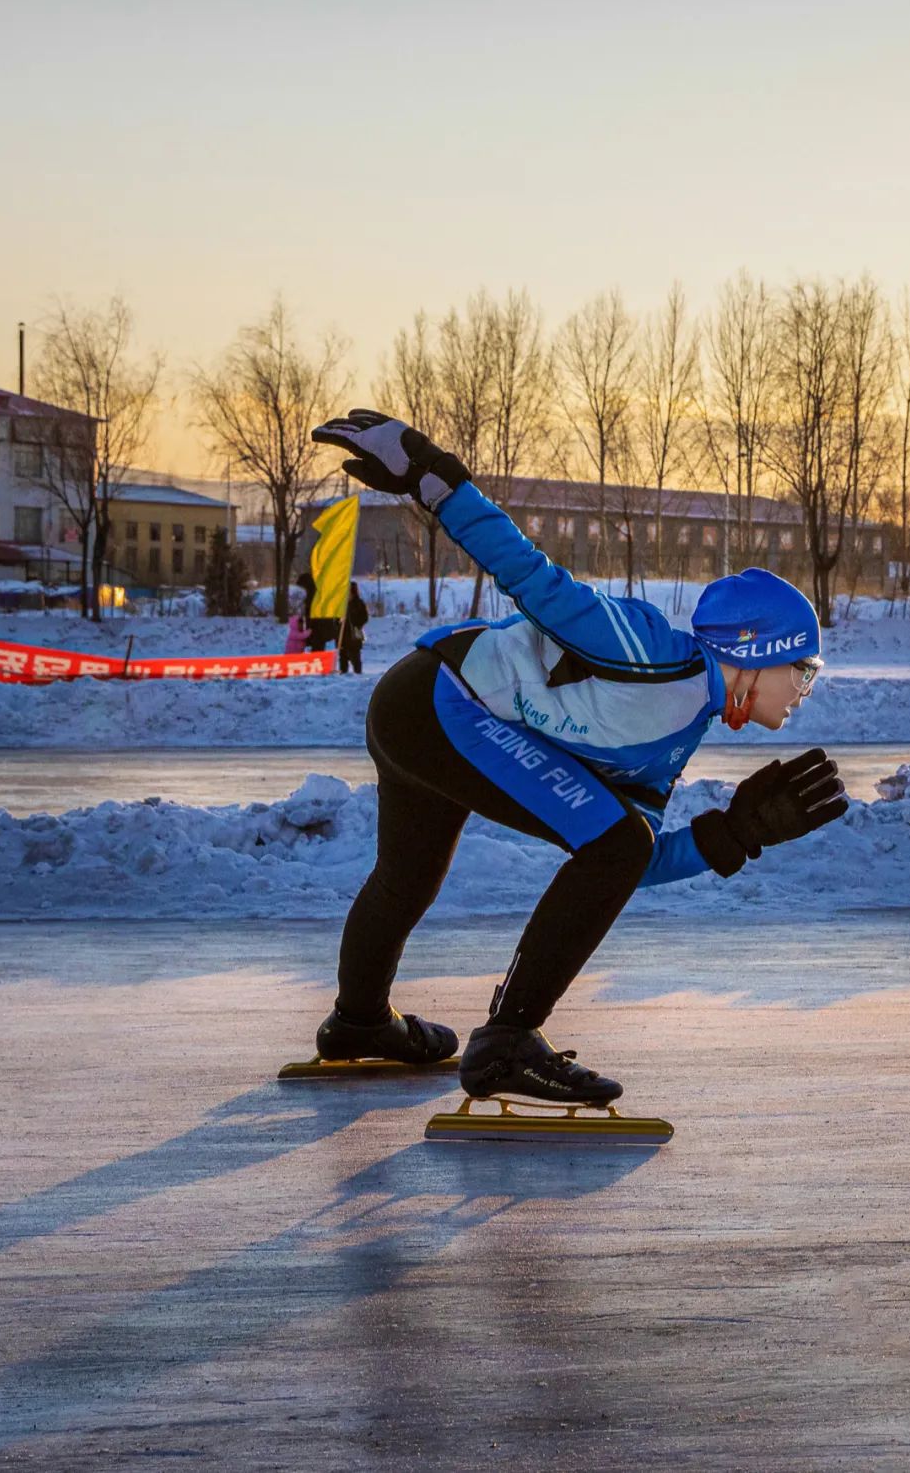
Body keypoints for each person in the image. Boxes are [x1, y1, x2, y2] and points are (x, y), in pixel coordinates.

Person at [308, 410, 848, 1107]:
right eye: (802, 671)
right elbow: (530, 575)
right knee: (606, 841)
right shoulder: (650, 651)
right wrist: (428, 475)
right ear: (755, 648)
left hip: (425, 706)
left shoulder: (678, 733)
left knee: (411, 875)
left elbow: (633, 861)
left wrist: (734, 834)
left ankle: (358, 1022)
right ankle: (507, 1041)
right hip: (438, 702)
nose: (803, 691)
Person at [339, 582, 369, 674]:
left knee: (355, 656)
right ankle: (343, 673)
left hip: (353, 635)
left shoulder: (359, 603)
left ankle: (358, 673)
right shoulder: (342, 604)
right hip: (343, 635)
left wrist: (357, 624)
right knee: (343, 656)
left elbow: (364, 617)